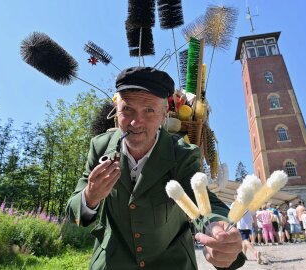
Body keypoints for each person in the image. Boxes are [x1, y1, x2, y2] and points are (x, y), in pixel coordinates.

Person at [66, 67, 245, 270]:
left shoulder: (182, 154)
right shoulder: (100, 147)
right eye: (127, 109)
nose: (136, 122)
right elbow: (74, 212)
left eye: (149, 110)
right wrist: (90, 197)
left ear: (163, 116)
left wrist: (216, 227)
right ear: (117, 110)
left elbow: (200, 198)